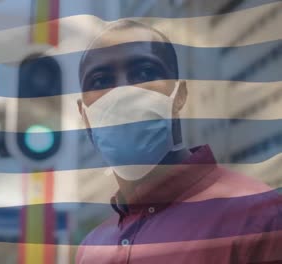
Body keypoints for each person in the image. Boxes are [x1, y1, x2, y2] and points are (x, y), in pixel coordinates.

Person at [75, 19, 282, 264]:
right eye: (100, 80)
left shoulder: (257, 218)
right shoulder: (91, 249)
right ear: (84, 114)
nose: (123, 92)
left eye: (144, 72)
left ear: (179, 95)